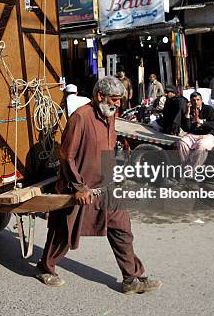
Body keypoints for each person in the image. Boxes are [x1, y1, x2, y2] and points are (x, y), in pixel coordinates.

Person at [35, 76, 162, 294]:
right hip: (80, 188)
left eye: (120, 100)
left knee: (122, 229)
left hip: (106, 187)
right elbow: (67, 155)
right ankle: (45, 267)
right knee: (63, 232)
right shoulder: (80, 118)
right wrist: (79, 187)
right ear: (100, 96)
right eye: (115, 99)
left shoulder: (109, 116)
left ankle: (131, 278)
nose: (118, 104)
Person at [178, 92, 214, 167]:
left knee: (202, 146)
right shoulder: (189, 110)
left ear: (201, 100)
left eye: (198, 100)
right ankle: (186, 165)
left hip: (207, 134)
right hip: (193, 135)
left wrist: (201, 121)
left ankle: (191, 169)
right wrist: (187, 113)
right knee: (182, 143)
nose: (196, 102)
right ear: (190, 102)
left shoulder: (208, 109)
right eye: (193, 100)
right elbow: (186, 128)